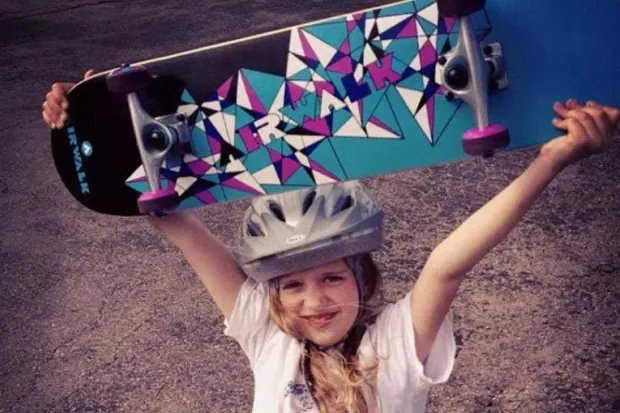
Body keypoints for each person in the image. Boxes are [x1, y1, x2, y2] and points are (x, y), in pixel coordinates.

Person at [42, 70, 620, 413]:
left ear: (361, 278)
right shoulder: (267, 336)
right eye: (291, 284)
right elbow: (166, 215)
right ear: (271, 294)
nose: (312, 300)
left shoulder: (394, 346)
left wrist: (549, 162)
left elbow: (446, 266)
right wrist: (95, 115)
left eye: (331, 277)